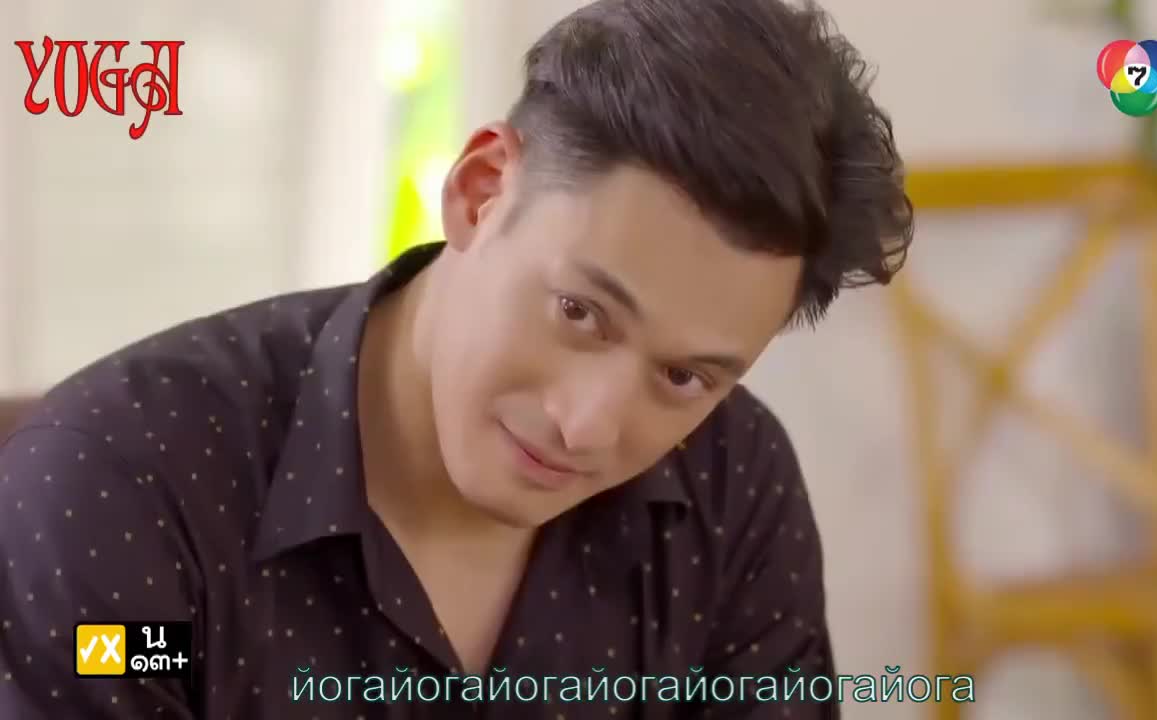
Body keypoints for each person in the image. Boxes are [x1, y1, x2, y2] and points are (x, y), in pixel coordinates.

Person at [0, 0, 912, 716]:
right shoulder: (120, 495)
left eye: (683, 377)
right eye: (579, 313)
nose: (588, 426)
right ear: (481, 192)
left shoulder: (733, 488)